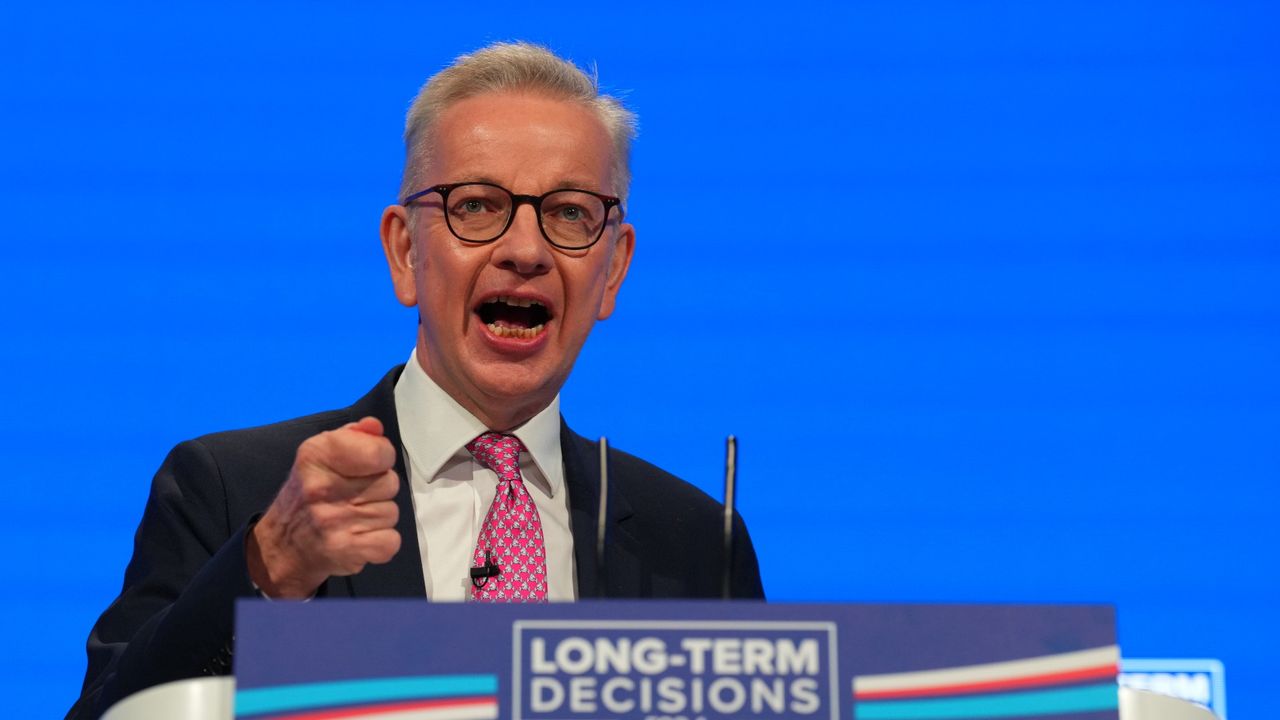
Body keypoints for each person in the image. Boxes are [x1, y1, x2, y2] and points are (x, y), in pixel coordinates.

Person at [67, 42, 764, 720]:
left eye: (570, 213)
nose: (526, 250)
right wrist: (267, 572)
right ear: (405, 250)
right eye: (477, 205)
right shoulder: (231, 492)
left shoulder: (699, 544)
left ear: (612, 269)